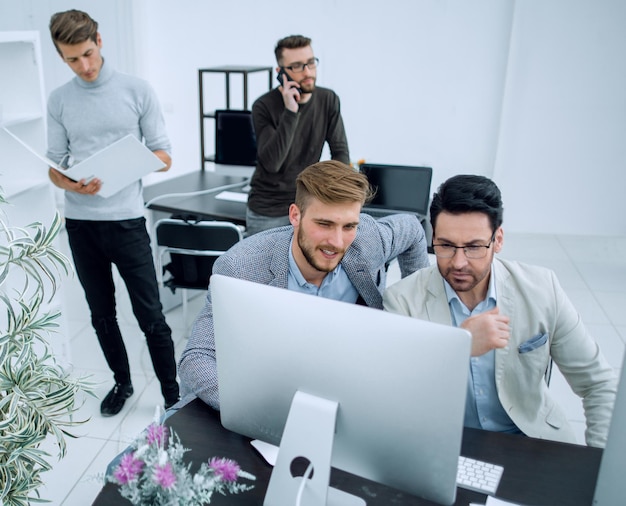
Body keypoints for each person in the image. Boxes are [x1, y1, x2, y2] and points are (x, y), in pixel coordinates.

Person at [383, 174, 617, 448]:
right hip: (445, 445)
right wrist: (457, 346)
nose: (458, 262)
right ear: (433, 238)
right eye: (445, 246)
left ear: (498, 240)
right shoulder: (401, 300)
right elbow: (393, 396)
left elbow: (599, 384)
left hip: (531, 442)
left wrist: (598, 468)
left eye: (473, 247)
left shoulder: (543, 288)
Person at [179, 160, 429, 409]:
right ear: (295, 215)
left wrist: (412, 315)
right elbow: (196, 359)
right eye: (324, 224)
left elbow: (413, 229)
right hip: (272, 393)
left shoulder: (369, 238)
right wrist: (259, 409)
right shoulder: (241, 268)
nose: (338, 242)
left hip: (349, 390)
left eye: (349, 226)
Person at [46, 10, 179, 416]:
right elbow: (54, 164)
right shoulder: (59, 100)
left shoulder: (137, 90)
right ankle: (122, 384)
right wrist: (69, 183)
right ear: (61, 56)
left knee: (151, 316)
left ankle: (174, 397)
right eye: (72, 59)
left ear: (100, 41)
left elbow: (164, 156)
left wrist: (125, 167)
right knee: (101, 313)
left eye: (87, 53)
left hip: (126, 222)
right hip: (81, 224)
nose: (83, 66)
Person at [246, 34, 350, 236]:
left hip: (308, 204)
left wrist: (331, 195)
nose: (307, 72)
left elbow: (340, 153)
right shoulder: (263, 106)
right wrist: (291, 111)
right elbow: (272, 163)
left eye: (311, 63)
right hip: (269, 209)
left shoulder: (328, 99)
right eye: (297, 66)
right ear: (280, 73)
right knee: (267, 267)